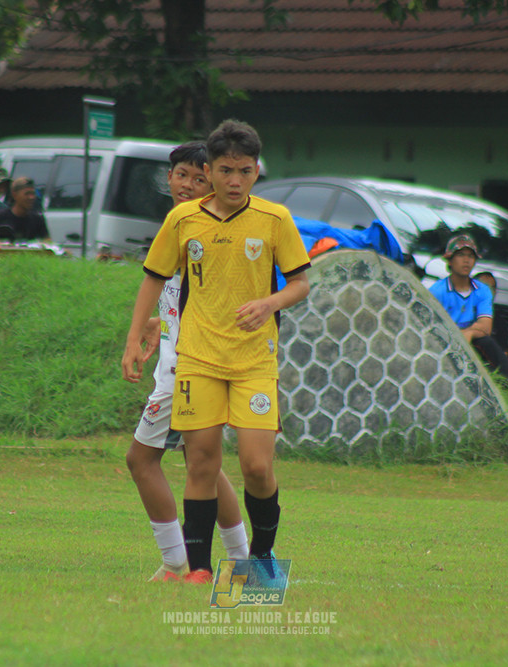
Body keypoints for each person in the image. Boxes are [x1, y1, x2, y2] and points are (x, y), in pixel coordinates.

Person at [122, 119, 311, 584]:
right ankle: (197, 569)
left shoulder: (274, 220)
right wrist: (136, 335)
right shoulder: (183, 220)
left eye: (244, 171)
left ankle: (258, 559)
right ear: (213, 168)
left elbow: (301, 283)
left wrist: (268, 303)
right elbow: (156, 278)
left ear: (256, 171)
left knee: (256, 466)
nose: (233, 180)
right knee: (201, 460)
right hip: (197, 359)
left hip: (253, 361)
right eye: (225, 170)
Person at [125, 142, 248, 582]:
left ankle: (177, 561)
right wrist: (159, 323)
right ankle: (242, 562)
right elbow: (184, 292)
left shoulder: (209, 231)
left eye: (200, 178)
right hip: (186, 362)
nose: (188, 185)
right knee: (205, 464)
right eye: (181, 175)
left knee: (142, 461)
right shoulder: (182, 225)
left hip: (188, 370)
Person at [429, 234, 508, 417]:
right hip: (444, 345)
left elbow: (486, 326)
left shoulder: (481, 291)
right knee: (488, 349)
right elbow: (433, 328)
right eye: (461, 255)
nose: (466, 260)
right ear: (449, 260)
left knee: (486, 344)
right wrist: (465, 334)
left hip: (475, 345)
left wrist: (469, 333)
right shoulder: (437, 291)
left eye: (470, 256)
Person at [0, 176, 49, 243]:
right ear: (14, 195)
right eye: (27, 194)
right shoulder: (0, 216)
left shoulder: (37, 219)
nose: (31, 198)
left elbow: (48, 243)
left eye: (33, 194)